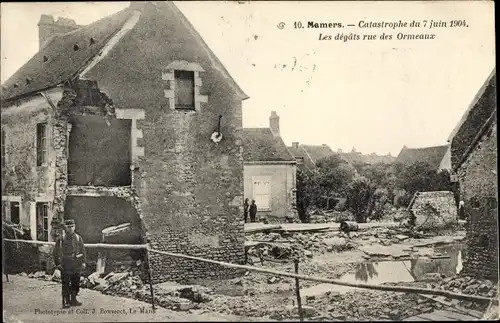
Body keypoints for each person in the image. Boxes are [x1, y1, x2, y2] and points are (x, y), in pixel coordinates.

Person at [53, 219, 86, 308]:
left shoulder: (79, 238)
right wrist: (57, 264)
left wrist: (83, 262)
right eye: (68, 227)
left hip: (76, 264)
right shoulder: (61, 239)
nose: (70, 228)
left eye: (72, 226)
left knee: (76, 282)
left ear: (74, 227)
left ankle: (73, 300)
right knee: (66, 283)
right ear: (65, 228)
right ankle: (65, 301)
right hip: (66, 264)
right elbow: (55, 252)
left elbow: (83, 250)